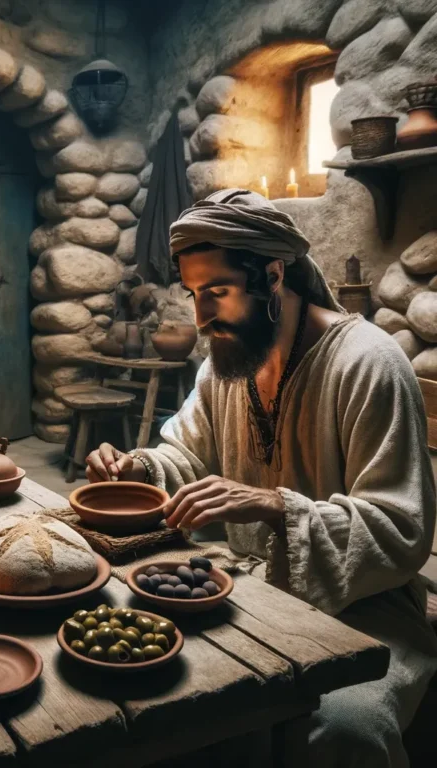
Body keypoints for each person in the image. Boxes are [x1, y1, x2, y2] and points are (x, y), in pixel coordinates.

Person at [86, 189, 437, 767]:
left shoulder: (367, 363)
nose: (201, 319)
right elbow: (187, 457)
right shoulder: (227, 362)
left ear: (273, 275)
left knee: (343, 728)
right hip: (250, 589)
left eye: (217, 293)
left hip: (366, 610)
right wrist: (138, 468)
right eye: (195, 295)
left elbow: (400, 527)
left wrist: (278, 506)